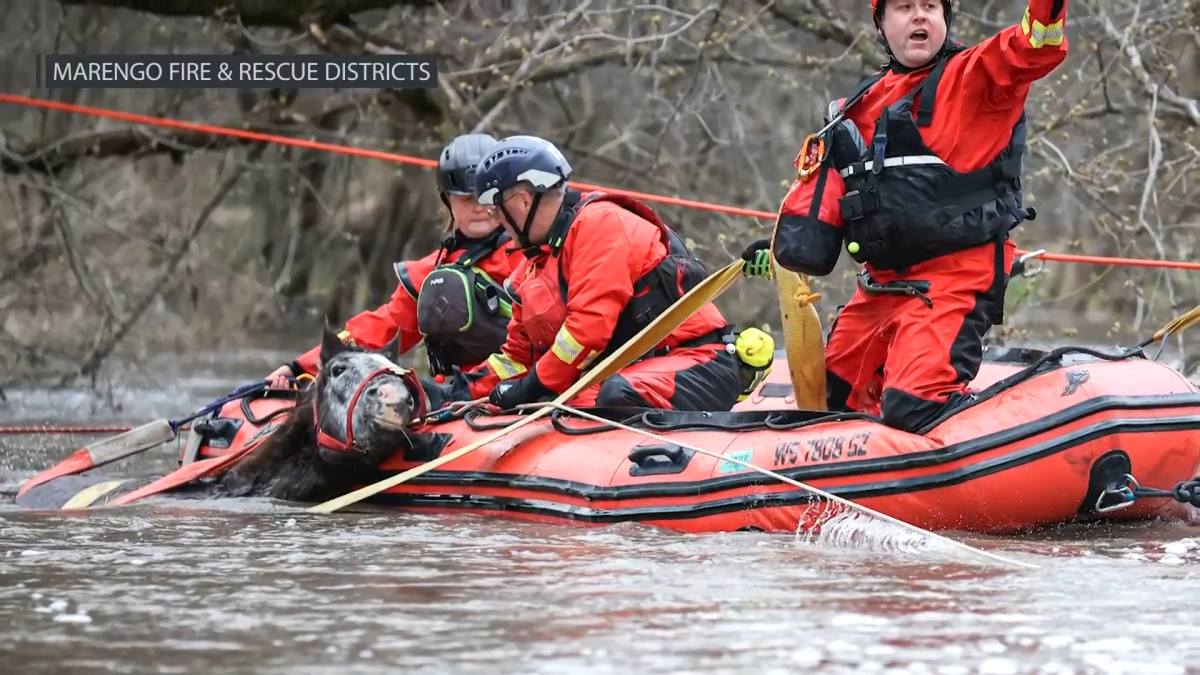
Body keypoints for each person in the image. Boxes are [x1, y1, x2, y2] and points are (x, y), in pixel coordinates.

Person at [740, 0, 1068, 433]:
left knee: (913, 408)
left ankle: (1026, 437)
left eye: (930, 5)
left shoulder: (977, 75)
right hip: (879, 287)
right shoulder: (853, 107)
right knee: (829, 403)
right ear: (880, 23)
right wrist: (782, 252)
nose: (919, 16)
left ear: (945, 18)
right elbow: (832, 198)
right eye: (905, 7)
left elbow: (1034, 44)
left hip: (956, 278)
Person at [430, 134, 771, 412]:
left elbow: (586, 332)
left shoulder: (602, 226)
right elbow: (518, 356)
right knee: (575, 404)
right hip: (623, 373)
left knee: (607, 399)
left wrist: (530, 388)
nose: (496, 220)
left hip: (696, 363)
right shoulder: (531, 268)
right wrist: (457, 392)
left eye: (497, 208)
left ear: (521, 200)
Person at [265, 133, 517, 388]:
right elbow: (377, 330)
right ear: (447, 201)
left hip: (535, 392)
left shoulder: (535, 254)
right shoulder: (430, 276)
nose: (479, 207)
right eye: (466, 198)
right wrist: (297, 368)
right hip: (466, 400)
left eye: (487, 196)